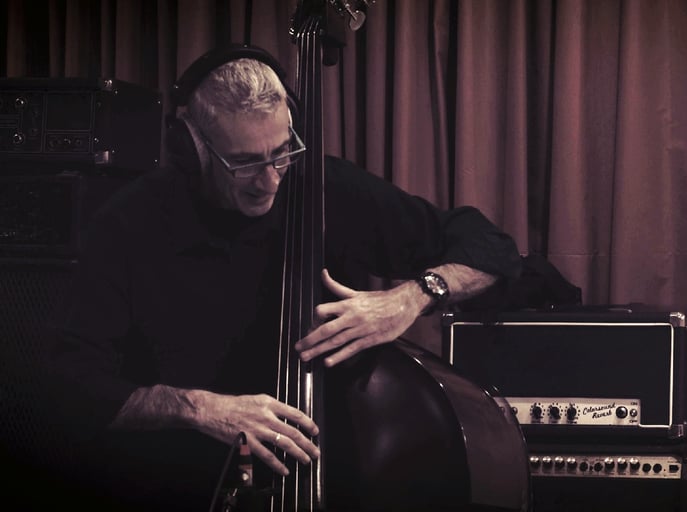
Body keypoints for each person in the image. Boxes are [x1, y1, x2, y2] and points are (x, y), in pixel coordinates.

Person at [43, 45, 522, 512]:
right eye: (246, 162)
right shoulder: (128, 224)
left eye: (282, 152)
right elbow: (71, 387)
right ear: (193, 148)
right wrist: (196, 408)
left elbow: (490, 247)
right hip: (173, 487)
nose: (270, 179)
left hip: (340, 479)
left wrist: (412, 297)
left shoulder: (324, 188)